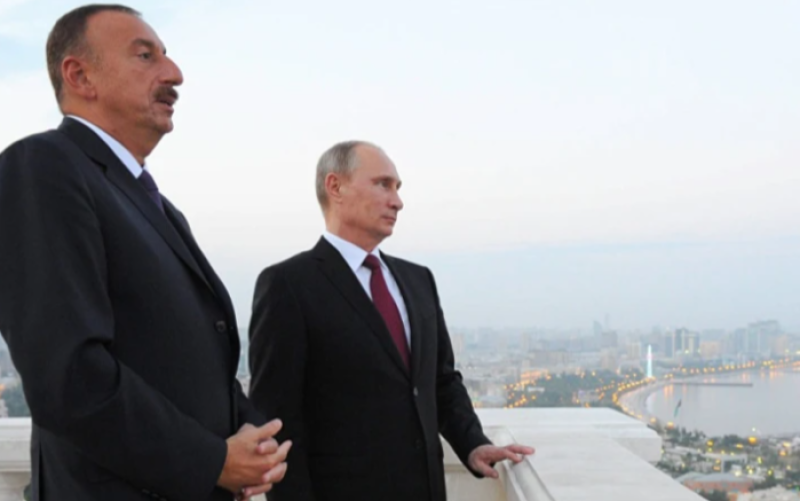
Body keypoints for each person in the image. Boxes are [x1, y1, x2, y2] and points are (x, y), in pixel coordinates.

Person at [0, 5, 290, 500]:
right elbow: (68, 377)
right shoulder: (42, 166)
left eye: (166, 55)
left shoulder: (159, 207)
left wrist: (251, 442)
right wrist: (211, 462)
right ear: (79, 76)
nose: (174, 73)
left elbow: (182, 360)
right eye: (145, 55)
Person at [248, 140, 534, 501]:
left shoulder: (418, 280)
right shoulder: (288, 285)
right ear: (335, 186)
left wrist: (473, 443)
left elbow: (441, 381)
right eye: (383, 184)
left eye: (397, 188)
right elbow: (278, 419)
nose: (397, 201)